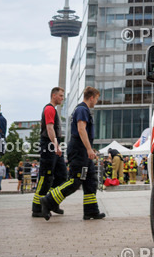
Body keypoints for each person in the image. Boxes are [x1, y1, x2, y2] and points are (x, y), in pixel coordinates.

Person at [40, 87, 106, 221]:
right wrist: (88, 149)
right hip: (79, 150)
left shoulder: (83, 110)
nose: (96, 102)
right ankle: (48, 200)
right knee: (75, 181)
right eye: (96, 99)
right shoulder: (82, 109)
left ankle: (91, 211)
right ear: (92, 97)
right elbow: (81, 129)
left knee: (90, 181)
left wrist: (89, 149)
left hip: (83, 151)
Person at [31, 86, 68, 218]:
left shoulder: (52, 110)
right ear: (54, 96)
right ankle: (37, 208)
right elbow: (50, 128)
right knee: (45, 178)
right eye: (61, 96)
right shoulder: (49, 109)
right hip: (49, 145)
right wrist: (56, 146)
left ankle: (52, 202)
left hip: (53, 145)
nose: (62, 98)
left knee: (62, 175)